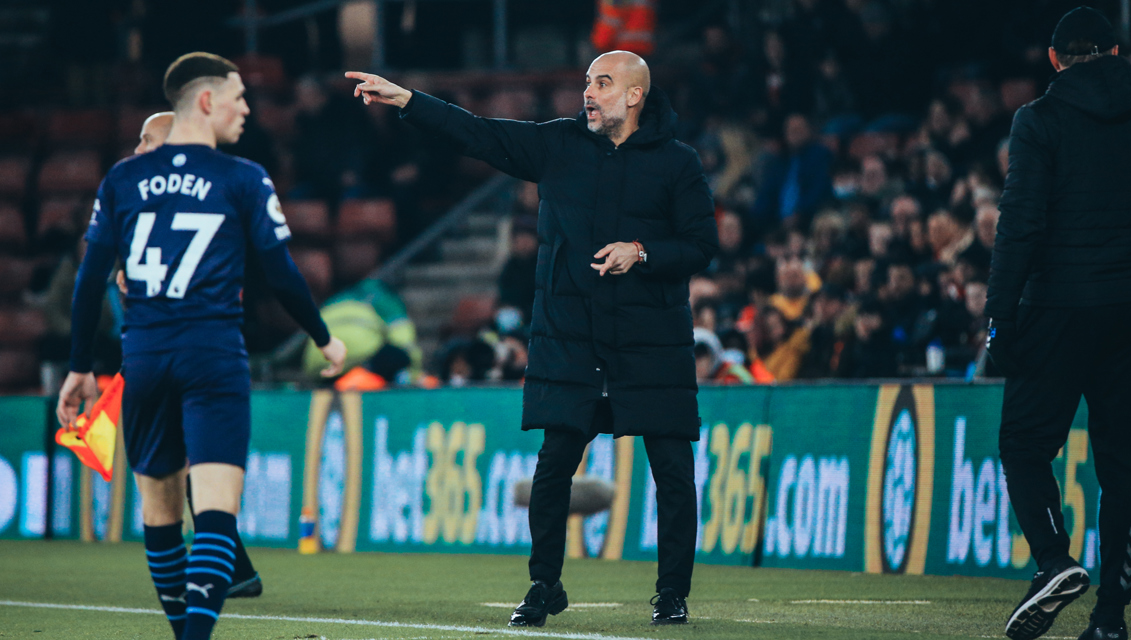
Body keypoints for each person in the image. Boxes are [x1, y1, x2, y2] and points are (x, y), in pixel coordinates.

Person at [347, 49, 717, 626]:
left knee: (672, 472)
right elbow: (479, 134)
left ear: (635, 95)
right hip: (571, 340)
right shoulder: (558, 146)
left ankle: (672, 594)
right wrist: (409, 102)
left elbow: (701, 245)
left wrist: (641, 252)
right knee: (552, 470)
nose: (588, 93)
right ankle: (545, 585)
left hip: (651, 341)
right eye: (586, 83)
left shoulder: (678, 163)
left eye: (603, 83)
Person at [56, 52, 346, 640]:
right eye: (239, 96)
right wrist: (323, 336)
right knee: (215, 512)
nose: (247, 108)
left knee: (161, 517)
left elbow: (89, 281)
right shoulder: (242, 177)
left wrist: (80, 367)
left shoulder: (121, 179)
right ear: (207, 101)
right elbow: (282, 274)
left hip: (143, 356)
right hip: (212, 353)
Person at [985, 8, 1131, 640]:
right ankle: (1109, 620)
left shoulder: (1039, 120)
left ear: (1053, 60)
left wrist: (1000, 316)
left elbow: (1020, 221)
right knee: (1124, 465)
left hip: (1057, 304)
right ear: (1114, 51)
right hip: (1130, 308)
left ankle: (1054, 561)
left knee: (1023, 444)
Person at [132, 109, 264, 599]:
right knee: (185, 456)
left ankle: (226, 570)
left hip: (199, 344)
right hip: (170, 343)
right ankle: (234, 568)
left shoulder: (208, 193)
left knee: (190, 458)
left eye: (147, 140)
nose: (138, 149)